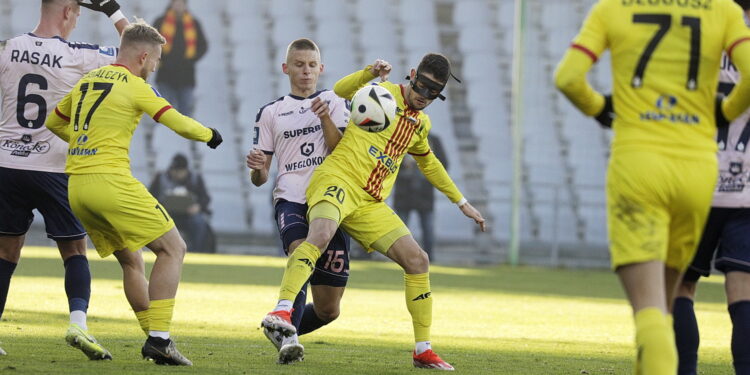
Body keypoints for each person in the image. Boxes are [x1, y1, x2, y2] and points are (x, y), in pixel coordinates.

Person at [554, 0, 750, 373]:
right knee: (690, 294)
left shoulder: (612, 8)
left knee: (654, 309)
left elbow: (567, 78)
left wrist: (600, 109)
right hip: (698, 168)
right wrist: (721, 113)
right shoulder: (723, 11)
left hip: (639, 165)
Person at [260, 54, 486, 371]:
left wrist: (462, 202)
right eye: (422, 86)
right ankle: (282, 311)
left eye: (434, 92)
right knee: (321, 235)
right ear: (412, 76)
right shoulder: (382, 92)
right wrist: (368, 73)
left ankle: (423, 350)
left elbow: (429, 164)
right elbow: (340, 90)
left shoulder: (420, 124)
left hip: (370, 202)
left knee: (418, 260)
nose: (424, 95)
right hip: (337, 180)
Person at [45, 19, 223, 366]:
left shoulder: (87, 81)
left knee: (132, 259)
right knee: (174, 248)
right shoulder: (135, 85)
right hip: (112, 183)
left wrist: (83, 145)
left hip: (78, 188)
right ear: (143, 56)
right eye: (155, 61)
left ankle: (154, 337)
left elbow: (54, 122)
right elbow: (177, 122)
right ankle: (159, 339)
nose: (155, 67)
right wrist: (210, 135)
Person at [0, 0, 128, 359]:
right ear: (69, 12)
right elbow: (142, 51)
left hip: (8, 164)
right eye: (77, 15)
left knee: (6, 251)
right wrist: (112, 10)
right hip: (54, 166)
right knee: (74, 250)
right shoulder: (78, 55)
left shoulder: (8, 47)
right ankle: (78, 325)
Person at [247, 38, 350, 364]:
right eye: (299, 65)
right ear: (286, 68)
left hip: (331, 200)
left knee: (328, 309)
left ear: (321, 68)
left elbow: (340, 152)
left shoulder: (335, 101)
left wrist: (324, 119)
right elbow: (260, 178)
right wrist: (258, 169)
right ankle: (287, 331)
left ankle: (279, 327)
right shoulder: (271, 112)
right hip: (290, 199)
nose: (305, 71)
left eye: (311, 65)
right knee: (300, 251)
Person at [673, 3, 750, 374]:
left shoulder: (699, 42)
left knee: (679, 288)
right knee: (743, 294)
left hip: (697, 182)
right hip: (748, 188)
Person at [393, 134, 448, 260]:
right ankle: (399, 258)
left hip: (425, 193)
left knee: (428, 230)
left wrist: (426, 164)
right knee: (399, 231)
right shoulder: (399, 137)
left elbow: (443, 164)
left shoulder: (434, 140)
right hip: (404, 193)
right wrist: (403, 164)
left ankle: (429, 259)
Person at [149, 153, 214, 253]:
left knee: (199, 222)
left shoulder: (196, 179)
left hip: (188, 216)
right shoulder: (160, 178)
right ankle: (160, 250)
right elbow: (150, 197)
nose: (176, 174)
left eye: (179, 171)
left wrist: (198, 206)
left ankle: (197, 251)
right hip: (167, 215)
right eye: (174, 170)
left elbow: (205, 198)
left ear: (186, 170)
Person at [152, 0, 207, 117]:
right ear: (171, 4)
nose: (178, 6)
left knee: (186, 114)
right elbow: (150, 42)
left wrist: (192, 59)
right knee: (164, 113)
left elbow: (203, 45)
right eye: (176, 3)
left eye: (181, 3)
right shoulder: (160, 22)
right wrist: (159, 59)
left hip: (186, 75)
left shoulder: (194, 23)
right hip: (165, 74)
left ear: (185, 5)